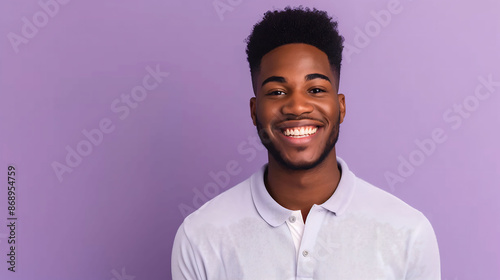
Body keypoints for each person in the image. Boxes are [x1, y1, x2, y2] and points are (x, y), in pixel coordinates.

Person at [172, 6, 440, 280]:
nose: (297, 106)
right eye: (276, 92)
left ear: (340, 106)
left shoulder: (408, 232)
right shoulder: (200, 237)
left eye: (315, 90)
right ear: (254, 111)